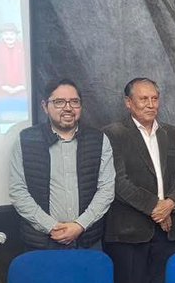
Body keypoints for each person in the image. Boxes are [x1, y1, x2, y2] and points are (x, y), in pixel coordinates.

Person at [102, 78, 175, 283]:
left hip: (168, 231)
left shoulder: (173, 133)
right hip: (129, 233)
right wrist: (157, 208)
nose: (150, 104)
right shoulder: (113, 133)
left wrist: (170, 204)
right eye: (143, 99)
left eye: (154, 98)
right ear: (128, 102)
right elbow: (118, 182)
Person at [9, 79, 114, 250]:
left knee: (90, 277)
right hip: (42, 242)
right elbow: (17, 190)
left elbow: (107, 189)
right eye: (59, 102)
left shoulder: (99, 140)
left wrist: (79, 225)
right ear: (45, 106)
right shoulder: (26, 140)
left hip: (87, 240)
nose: (68, 108)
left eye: (74, 102)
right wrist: (51, 226)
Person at [0, 23, 27, 101]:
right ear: (1, 35)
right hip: (1, 92)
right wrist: (1, 86)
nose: (9, 37)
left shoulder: (25, 48)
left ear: (16, 35)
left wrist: (22, 86)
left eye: (11, 34)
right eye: (6, 34)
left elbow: (28, 68)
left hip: (22, 92)